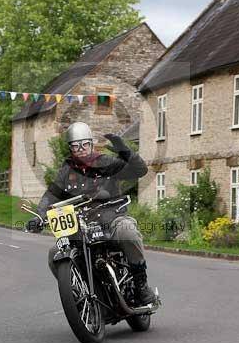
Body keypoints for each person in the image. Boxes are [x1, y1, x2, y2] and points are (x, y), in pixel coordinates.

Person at [26, 122, 156, 306]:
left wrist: (125, 151)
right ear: (70, 148)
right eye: (76, 146)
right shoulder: (66, 171)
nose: (81, 149)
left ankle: (140, 284)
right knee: (54, 253)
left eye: (84, 144)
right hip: (80, 226)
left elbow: (139, 170)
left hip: (111, 217)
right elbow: (51, 196)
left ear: (91, 144)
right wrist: (39, 216)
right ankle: (79, 293)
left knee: (128, 231)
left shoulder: (106, 162)